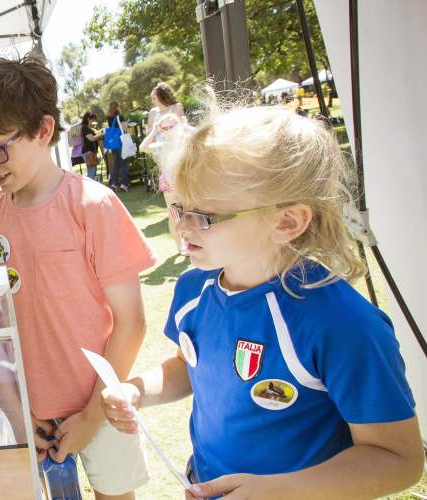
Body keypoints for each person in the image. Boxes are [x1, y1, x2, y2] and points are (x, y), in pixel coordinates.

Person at [102, 104, 423, 499]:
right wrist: (137, 389)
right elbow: (192, 365)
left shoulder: (343, 323)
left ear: (287, 221)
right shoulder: (193, 290)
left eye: (204, 216)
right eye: (179, 207)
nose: (182, 227)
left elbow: (398, 458)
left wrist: (277, 491)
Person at [0, 56, 156, 500]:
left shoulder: (92, 206)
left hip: (104, 405)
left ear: (43, 130)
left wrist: (94, 414)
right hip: (33, 412)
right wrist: (16, 409)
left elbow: (132, 322)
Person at [139, 82, 186, 255]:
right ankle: (180, 244)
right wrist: (155, 132)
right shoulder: (154, 114)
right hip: (165, 164)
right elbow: (146, 141)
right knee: (175, 211)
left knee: (186, 209)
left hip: (180, 165)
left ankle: (188, 240)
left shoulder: (176, 108)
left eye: (154, 97)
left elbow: (183, 128)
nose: (152, 101)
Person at [105, 101, 130, 192]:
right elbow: (124, 128)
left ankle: (114, 183)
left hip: (113, 144)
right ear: (117, 107)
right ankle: (124, 184)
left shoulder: (109, 117)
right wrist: (126, 123)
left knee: (116, 164)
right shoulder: (120, 116)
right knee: (124, 163)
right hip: (121, 142)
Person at [81, 111, 104, 182]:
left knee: (92, 171)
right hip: (88, 152)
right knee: (91, 172)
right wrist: (101, 134)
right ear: (88, 119)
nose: (94, 121)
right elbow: (91, 139)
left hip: (91, 152)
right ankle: (89, 189)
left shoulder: (88, 128)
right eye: (93, 119)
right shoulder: (85, 128)